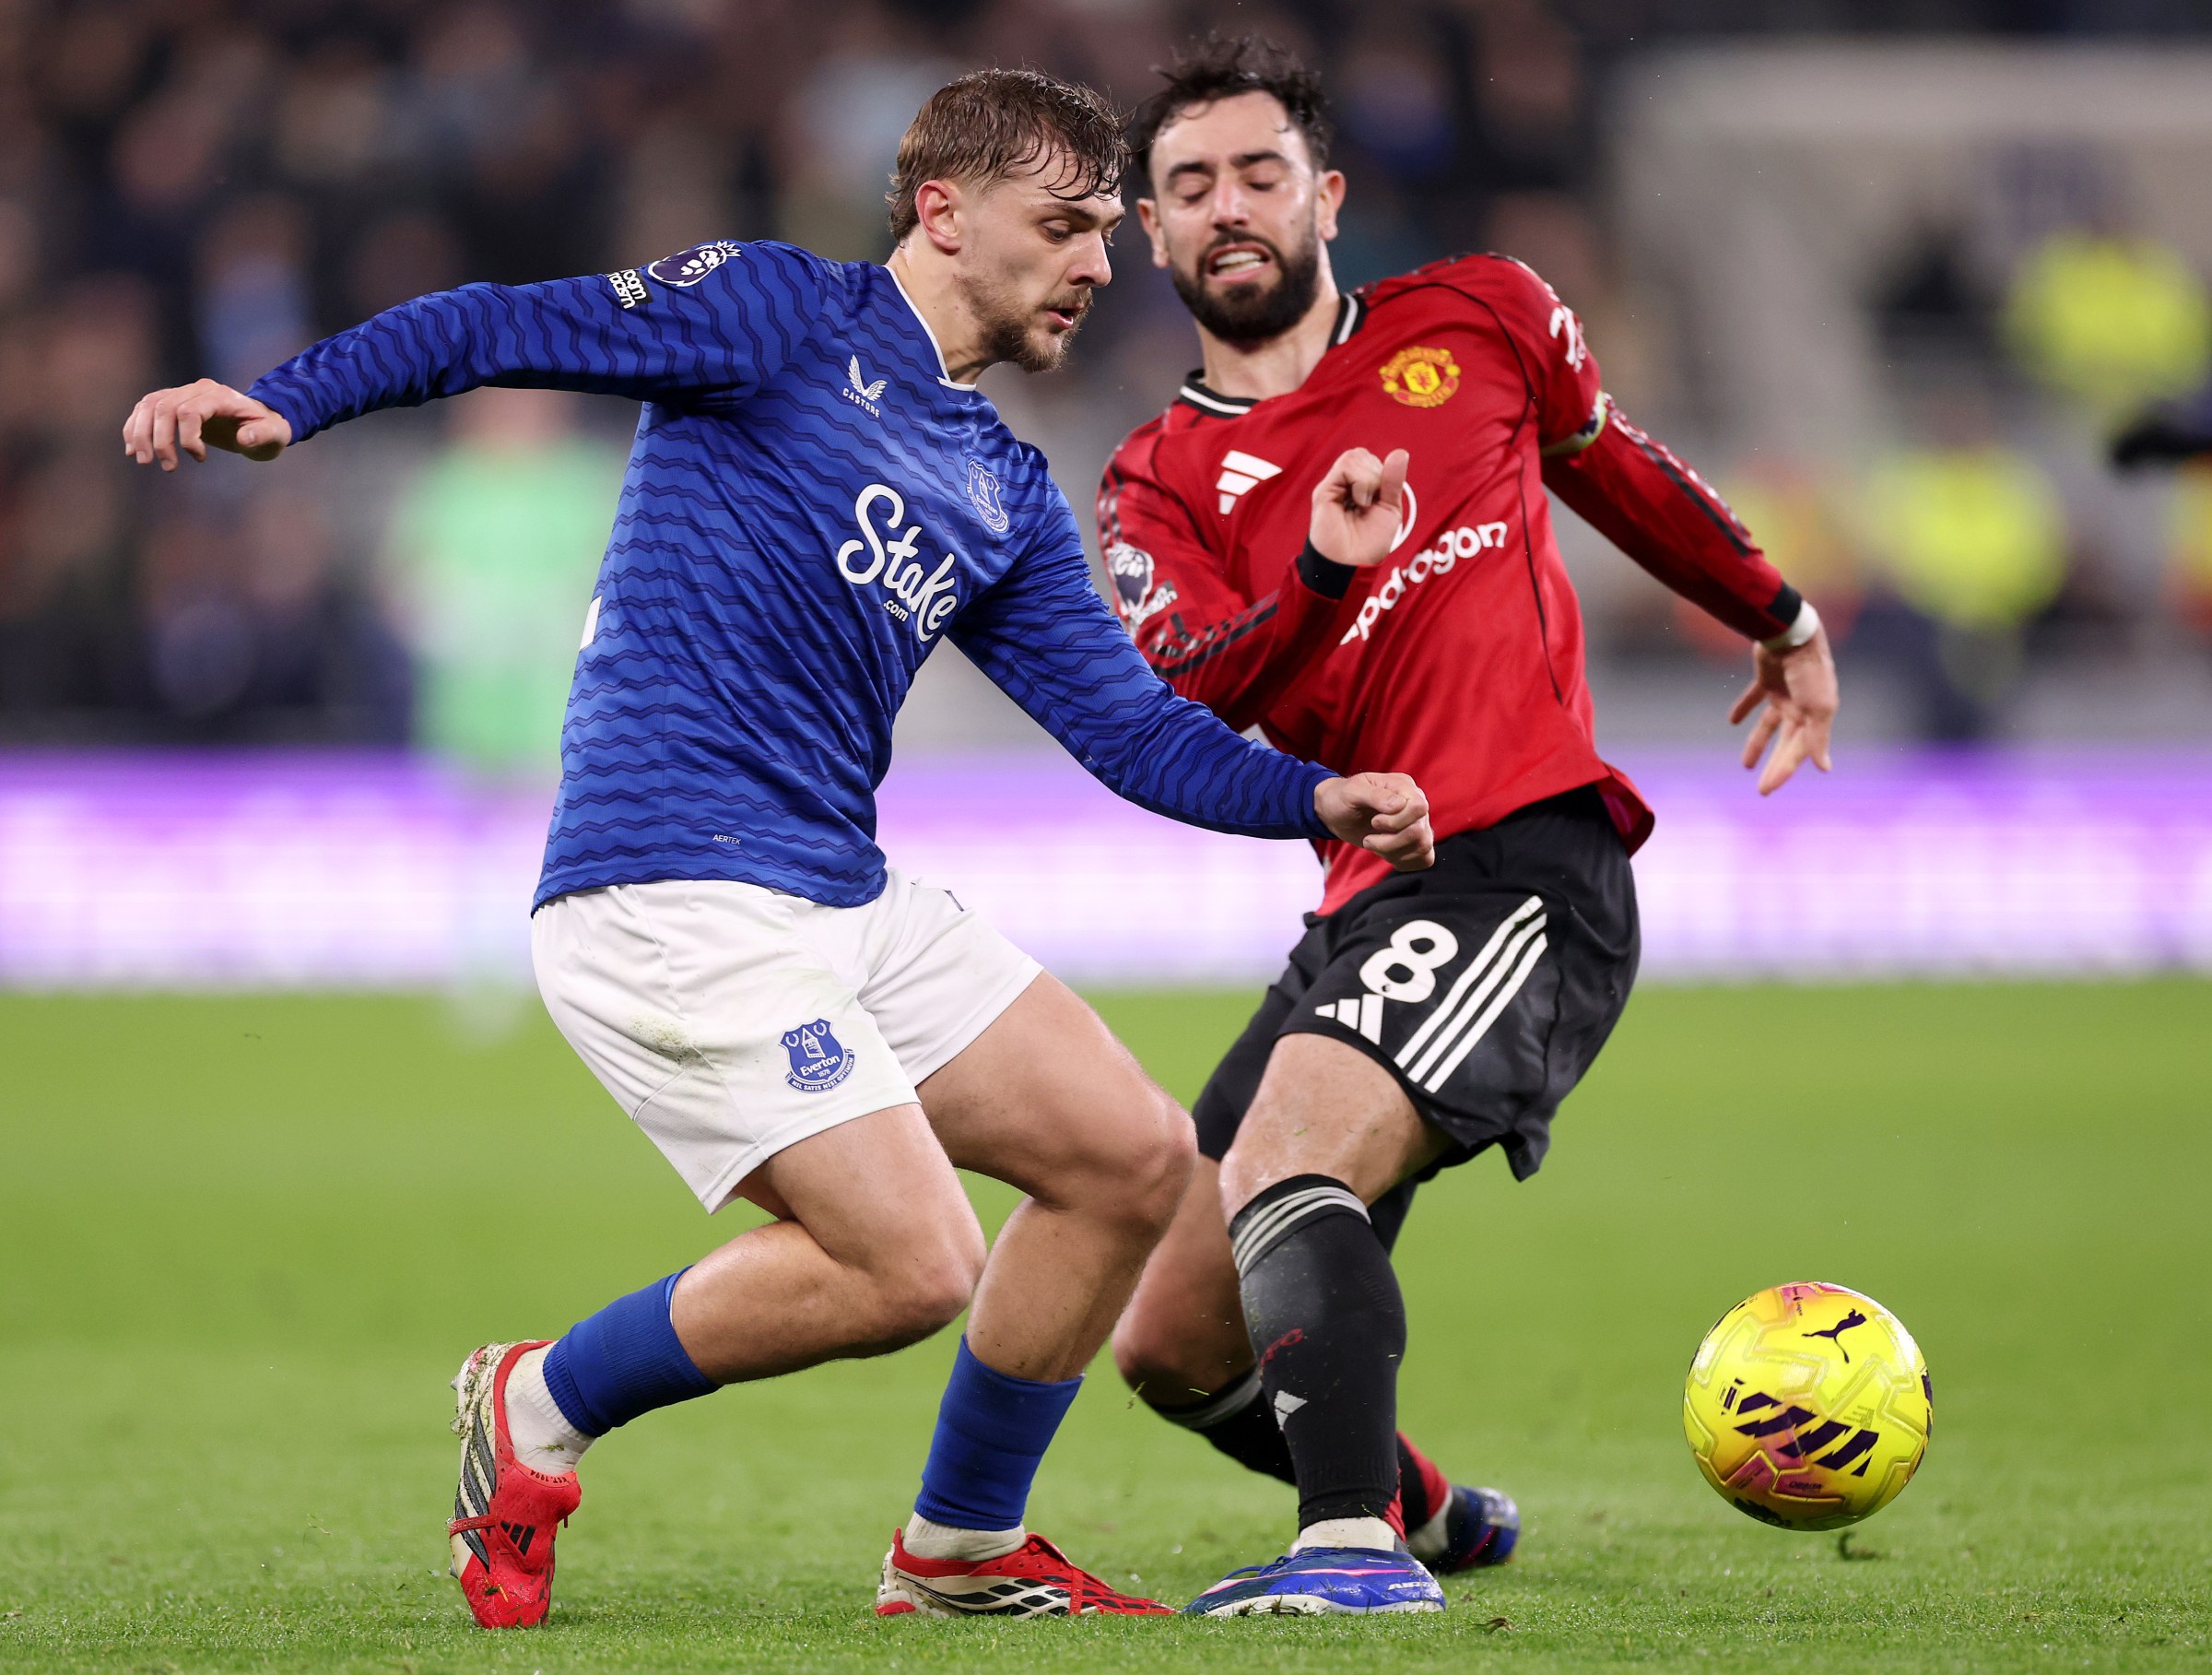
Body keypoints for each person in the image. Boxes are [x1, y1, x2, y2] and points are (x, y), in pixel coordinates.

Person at [122, 69, 1437, 1627]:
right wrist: (289, 396)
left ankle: (958, 1549)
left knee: (1130, 1156)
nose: (1103, 260)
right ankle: (536, 1403)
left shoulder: (1002, 485)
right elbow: (491, 322)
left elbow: (1134, 734)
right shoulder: (772, 312)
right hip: (665, 882)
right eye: (1068, 225)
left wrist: (1313, 797)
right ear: (943, 214)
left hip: (832, 883)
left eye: (1104, 232)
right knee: (910, 1264)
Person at [1098, 40, 1841, 1617]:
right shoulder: (1155, 485)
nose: (1227, 208)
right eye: (1189, 188)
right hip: (1368, 894)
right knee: (1169, 1339)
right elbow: (1199, 696)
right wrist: (1313, 566)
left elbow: (1616, 467)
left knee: (1288, 1158)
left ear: (1326, 195)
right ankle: (1435, 1514)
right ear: (1150, 236)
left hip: (1524, 856)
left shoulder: (1481, 314)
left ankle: (1348, 1548)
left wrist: (1773, 608)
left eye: (1257, 174)